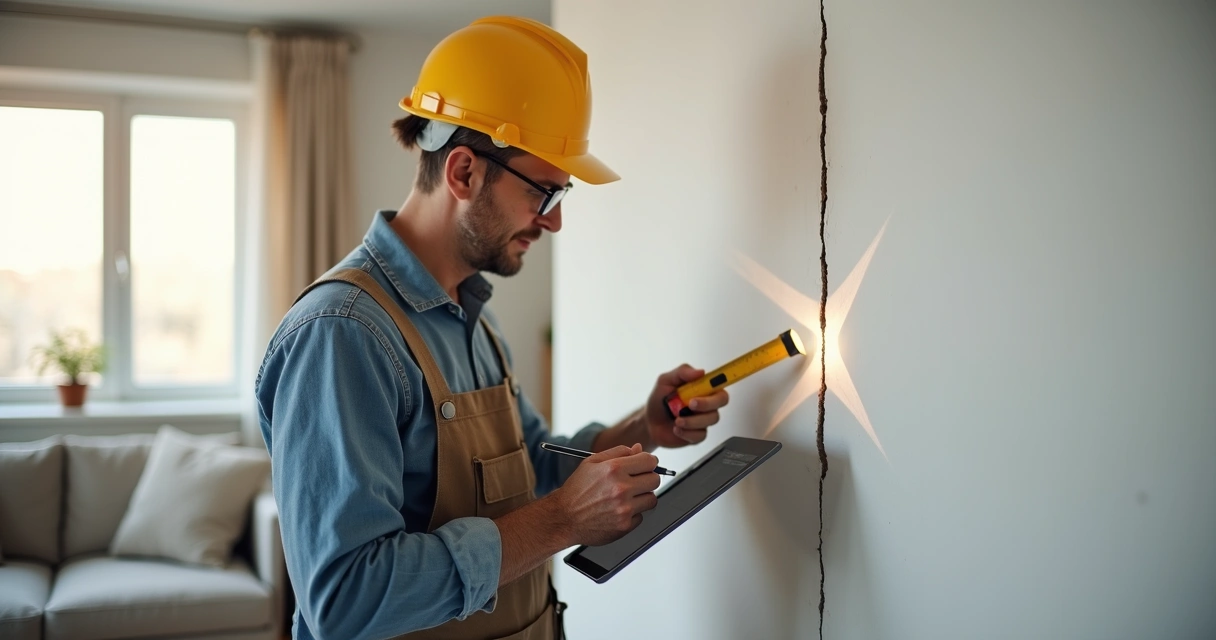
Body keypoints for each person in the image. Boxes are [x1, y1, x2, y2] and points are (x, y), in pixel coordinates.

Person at [255, 16, 729, 640]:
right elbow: (346, 601)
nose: (553, 223)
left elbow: (527, 467)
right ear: (463, 173)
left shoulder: (473, 318)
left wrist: (645, 426)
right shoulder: (343, 335)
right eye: (544, 194)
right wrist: (561, 521)